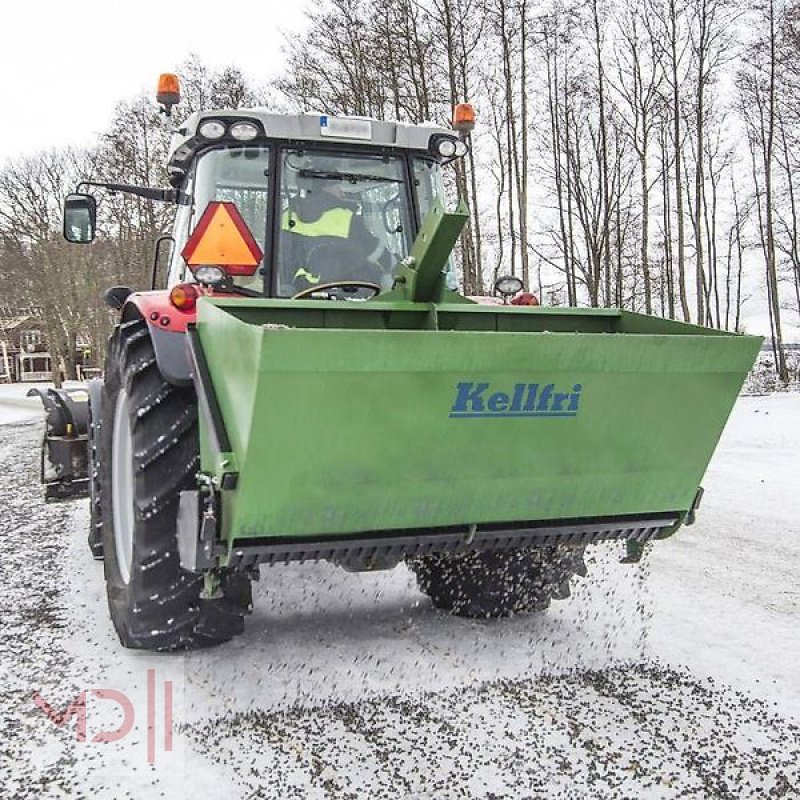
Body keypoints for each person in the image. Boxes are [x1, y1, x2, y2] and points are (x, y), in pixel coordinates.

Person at [281, 180, 391, 292]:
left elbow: (279, 261)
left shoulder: (285, 217)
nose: (342, 193)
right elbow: (375, 252)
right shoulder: (346, 218)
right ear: (326, 188)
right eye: (338, 188)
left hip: (296, 295)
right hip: (341, 295)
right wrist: (392, 262)